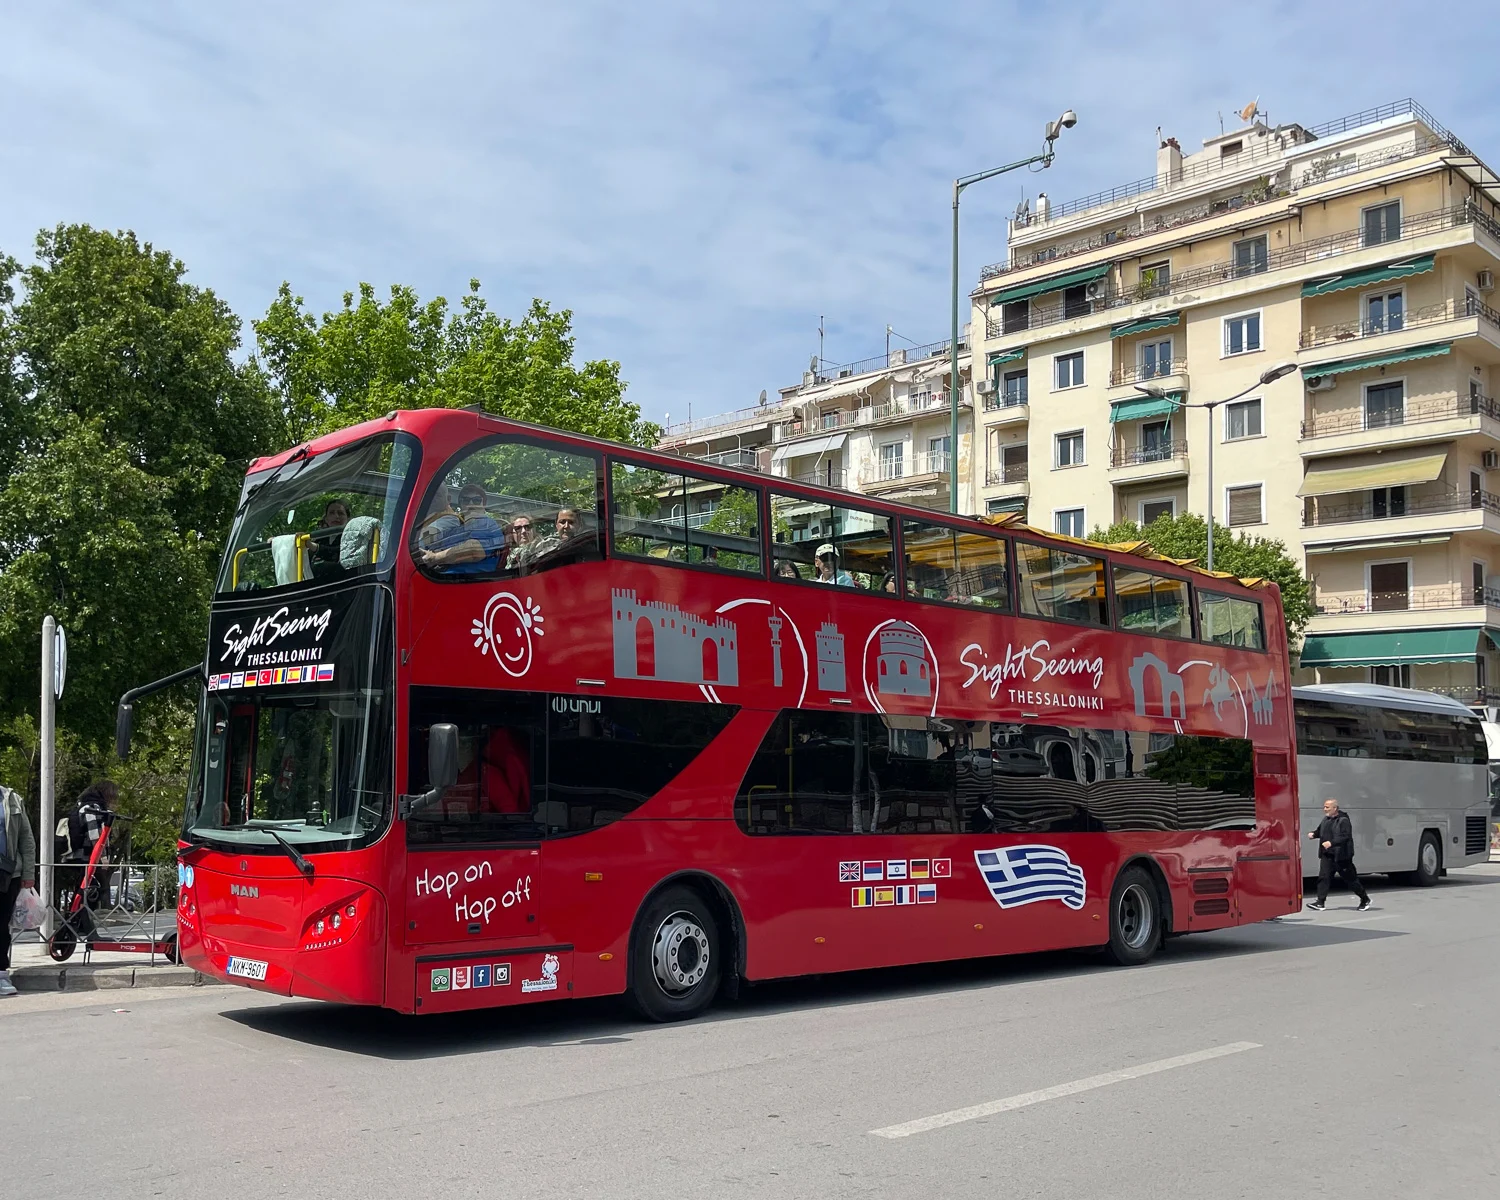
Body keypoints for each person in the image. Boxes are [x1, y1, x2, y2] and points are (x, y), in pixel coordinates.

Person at [417, 483, 506, 574]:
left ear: (484, 503)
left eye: (476, 500)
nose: (471, 504)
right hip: (439, 580)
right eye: (466, 500)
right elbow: (427, 542)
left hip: (467, 583)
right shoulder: (456, 529)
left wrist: (434, 558)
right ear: (460, 505)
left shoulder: (488, 524)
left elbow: (473, 551)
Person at [1, 782, 38, 998]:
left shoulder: (12, 799)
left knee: (1, 925)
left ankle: (1, 975)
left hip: (7, 873)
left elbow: (26, 839)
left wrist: (28, 875)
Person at [1307, 797, 1370, 911]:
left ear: (1335, 808)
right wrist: (1314, 834)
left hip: (1341, 856)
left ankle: (1364, 899)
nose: (1324, 809)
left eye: (1327, 807)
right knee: (1323, 878)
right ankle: (1320, 902)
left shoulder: (1343, 820)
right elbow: (1320, 831)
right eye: (1324, 807)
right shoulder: (1326, 819)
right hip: (1327, 855)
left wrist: (1331, 843)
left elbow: (1345, 836)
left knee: (1351, 880)